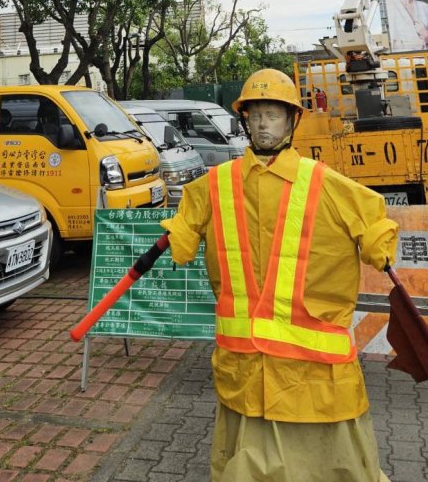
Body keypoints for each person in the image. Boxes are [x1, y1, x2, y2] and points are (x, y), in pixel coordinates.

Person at [161, 68, 397, 482]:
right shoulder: (216, 185)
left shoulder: (324, 183)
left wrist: (378, 241)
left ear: (292, 121)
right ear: (245, 121)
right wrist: (178, 233)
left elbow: (372, 218)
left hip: (314, 372)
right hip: (247, 368)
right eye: (256, 115)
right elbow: (185, 225)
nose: (264, 123)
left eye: (273, 114)